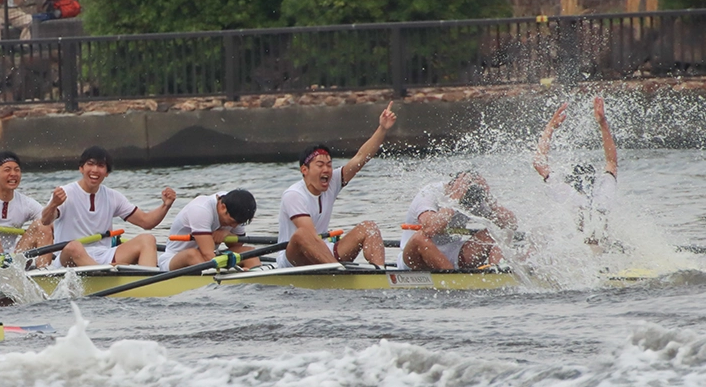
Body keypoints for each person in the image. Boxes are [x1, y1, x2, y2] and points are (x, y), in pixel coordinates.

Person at [275, 102, 397, 269]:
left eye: (329, 165)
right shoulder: (294, 195)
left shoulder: (332, 182)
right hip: (293, 259)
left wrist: (382, 129)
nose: (326, 170)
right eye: (320, 165)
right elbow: (309, 236)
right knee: (303, 234)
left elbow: (360, 158)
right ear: (304, 170)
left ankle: (380, 274)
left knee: (369, 227)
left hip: (323, 252)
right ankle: (338, 272)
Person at [41, 146, 176, 267]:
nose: (95, 170)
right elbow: (45, 221)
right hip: (69, 257)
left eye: (101, 166)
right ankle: (106, 273)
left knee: (147, 239)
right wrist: (53, 204)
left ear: (106, 172)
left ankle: (147, 282)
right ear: (81, 168)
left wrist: (165, 206)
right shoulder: (66, 192)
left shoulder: (113, 197)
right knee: (74, 246)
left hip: (104, 255)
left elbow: (146, 222)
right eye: (90, 164)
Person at [533, 97, 618, 245]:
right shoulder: (603, 194)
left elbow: (539, 163)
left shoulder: (568, 195)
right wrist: (603, 123)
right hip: (605, 248)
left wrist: (550, 127)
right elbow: (612, 162)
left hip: (579, 249)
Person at [400, 171, 519, 270]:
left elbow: (511, 224)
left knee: (495, 233)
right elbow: (430, 229)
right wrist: (454, 200)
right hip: (416, 258)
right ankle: (453, 278)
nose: (468, 205)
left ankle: (497, 271)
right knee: (420, 237)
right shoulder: (429, 194)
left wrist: (490, 200)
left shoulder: (471, 198)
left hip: (454, 254)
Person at [158, 190, 259, 271]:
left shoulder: (237, 207)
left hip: (208, 259)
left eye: (239, 223)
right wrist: (235, 270)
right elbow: (208, 255)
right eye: (232, 222)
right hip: (174, 259)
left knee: (249, 253)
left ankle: (254, 279)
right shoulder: (201, 210)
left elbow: (237, 245)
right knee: (192, 254)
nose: (234, 226)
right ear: (223, 207)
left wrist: (228, 235)